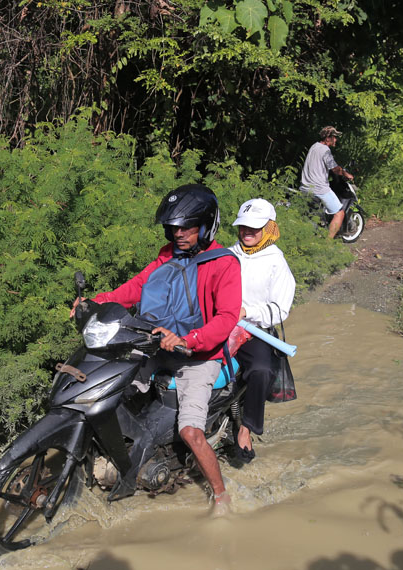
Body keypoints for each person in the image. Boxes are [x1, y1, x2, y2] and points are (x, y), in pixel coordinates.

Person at [69, 184, 241, 515]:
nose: (178, 234)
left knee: (191, 432)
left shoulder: (224, 264)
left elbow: (227, 318)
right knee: (107, 391)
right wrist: (96, 302)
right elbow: (136, 288)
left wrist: (188, 340)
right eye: (172, 228)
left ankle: (222, 497)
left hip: (199, 358)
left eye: (186, 228)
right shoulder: (168, 256)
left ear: (206, 226)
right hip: (156, 345)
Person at [228, 198, 296, 463]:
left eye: (254, 228)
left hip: (254, 330)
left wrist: (247, 312)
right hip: (221, 325)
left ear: (269, 228)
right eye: (243, 226)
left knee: (261, 370)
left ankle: (247, 428)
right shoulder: (228, 254)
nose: (247, 232)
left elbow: (280, 310)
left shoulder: (276, 262)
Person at [300, 126, 354, 239]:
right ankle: (328, 243)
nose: (336, 140)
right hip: (319, 189)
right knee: (339, 213)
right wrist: (346, 174)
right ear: (328, 138)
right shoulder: (325, 150)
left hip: (305, 188)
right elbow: (335, 169)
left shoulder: (314, 146)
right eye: (334, 137)